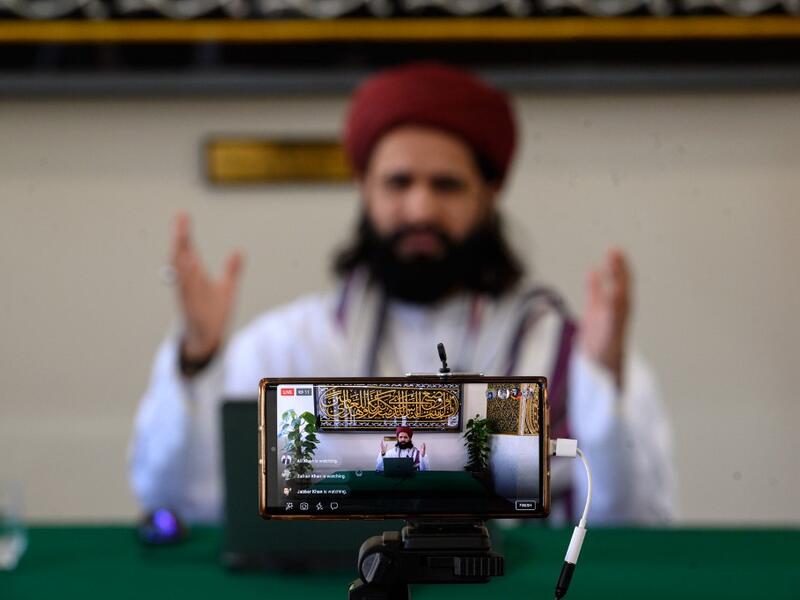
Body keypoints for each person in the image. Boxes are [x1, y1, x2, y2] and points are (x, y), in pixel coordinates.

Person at [129, 62, 675, 525]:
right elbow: (181, 504)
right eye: (398, 183)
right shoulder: (285, 348)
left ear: (491, 192)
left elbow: (635, 523)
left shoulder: (562, 353)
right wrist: (197, 360)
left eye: (446, 185)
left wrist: (603, 382)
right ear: (364, 187)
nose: (420, 209)